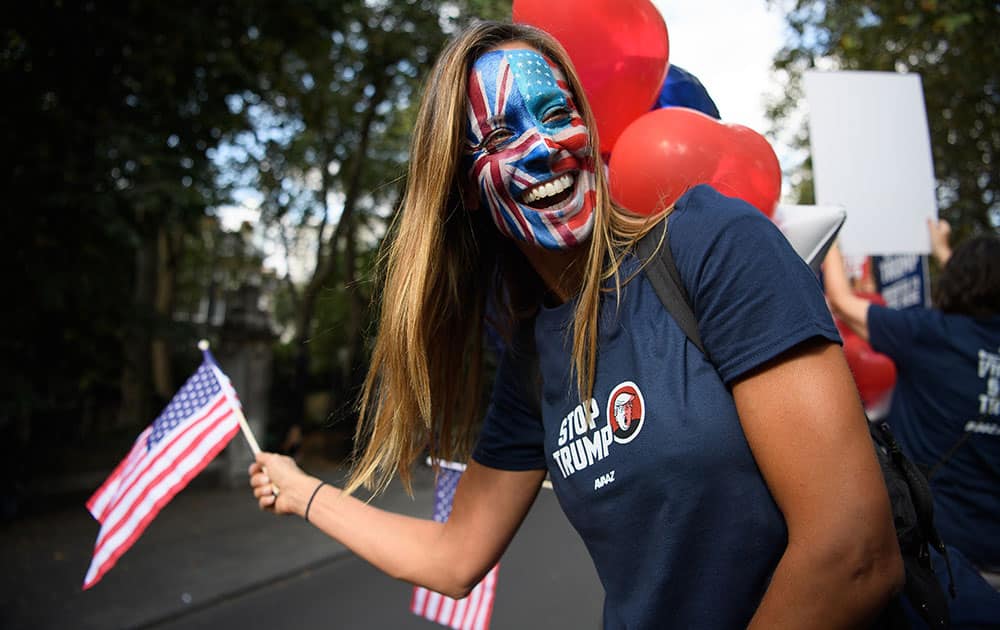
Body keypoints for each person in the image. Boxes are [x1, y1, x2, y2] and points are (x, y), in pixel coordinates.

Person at [249, 20, 903, 628]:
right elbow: (453, 558)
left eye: (558, 114)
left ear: (587, 130)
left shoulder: (715, 242)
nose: (544, 146)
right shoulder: (533, 364)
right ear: (468, 186)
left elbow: (853, 555)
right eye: (504, 137)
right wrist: (304, 492)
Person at [824, 221, 1000, 622]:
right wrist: (943, 249)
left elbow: (843, 302)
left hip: (944, 562)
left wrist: (831, 238)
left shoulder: (931, 335)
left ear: (956, 280)